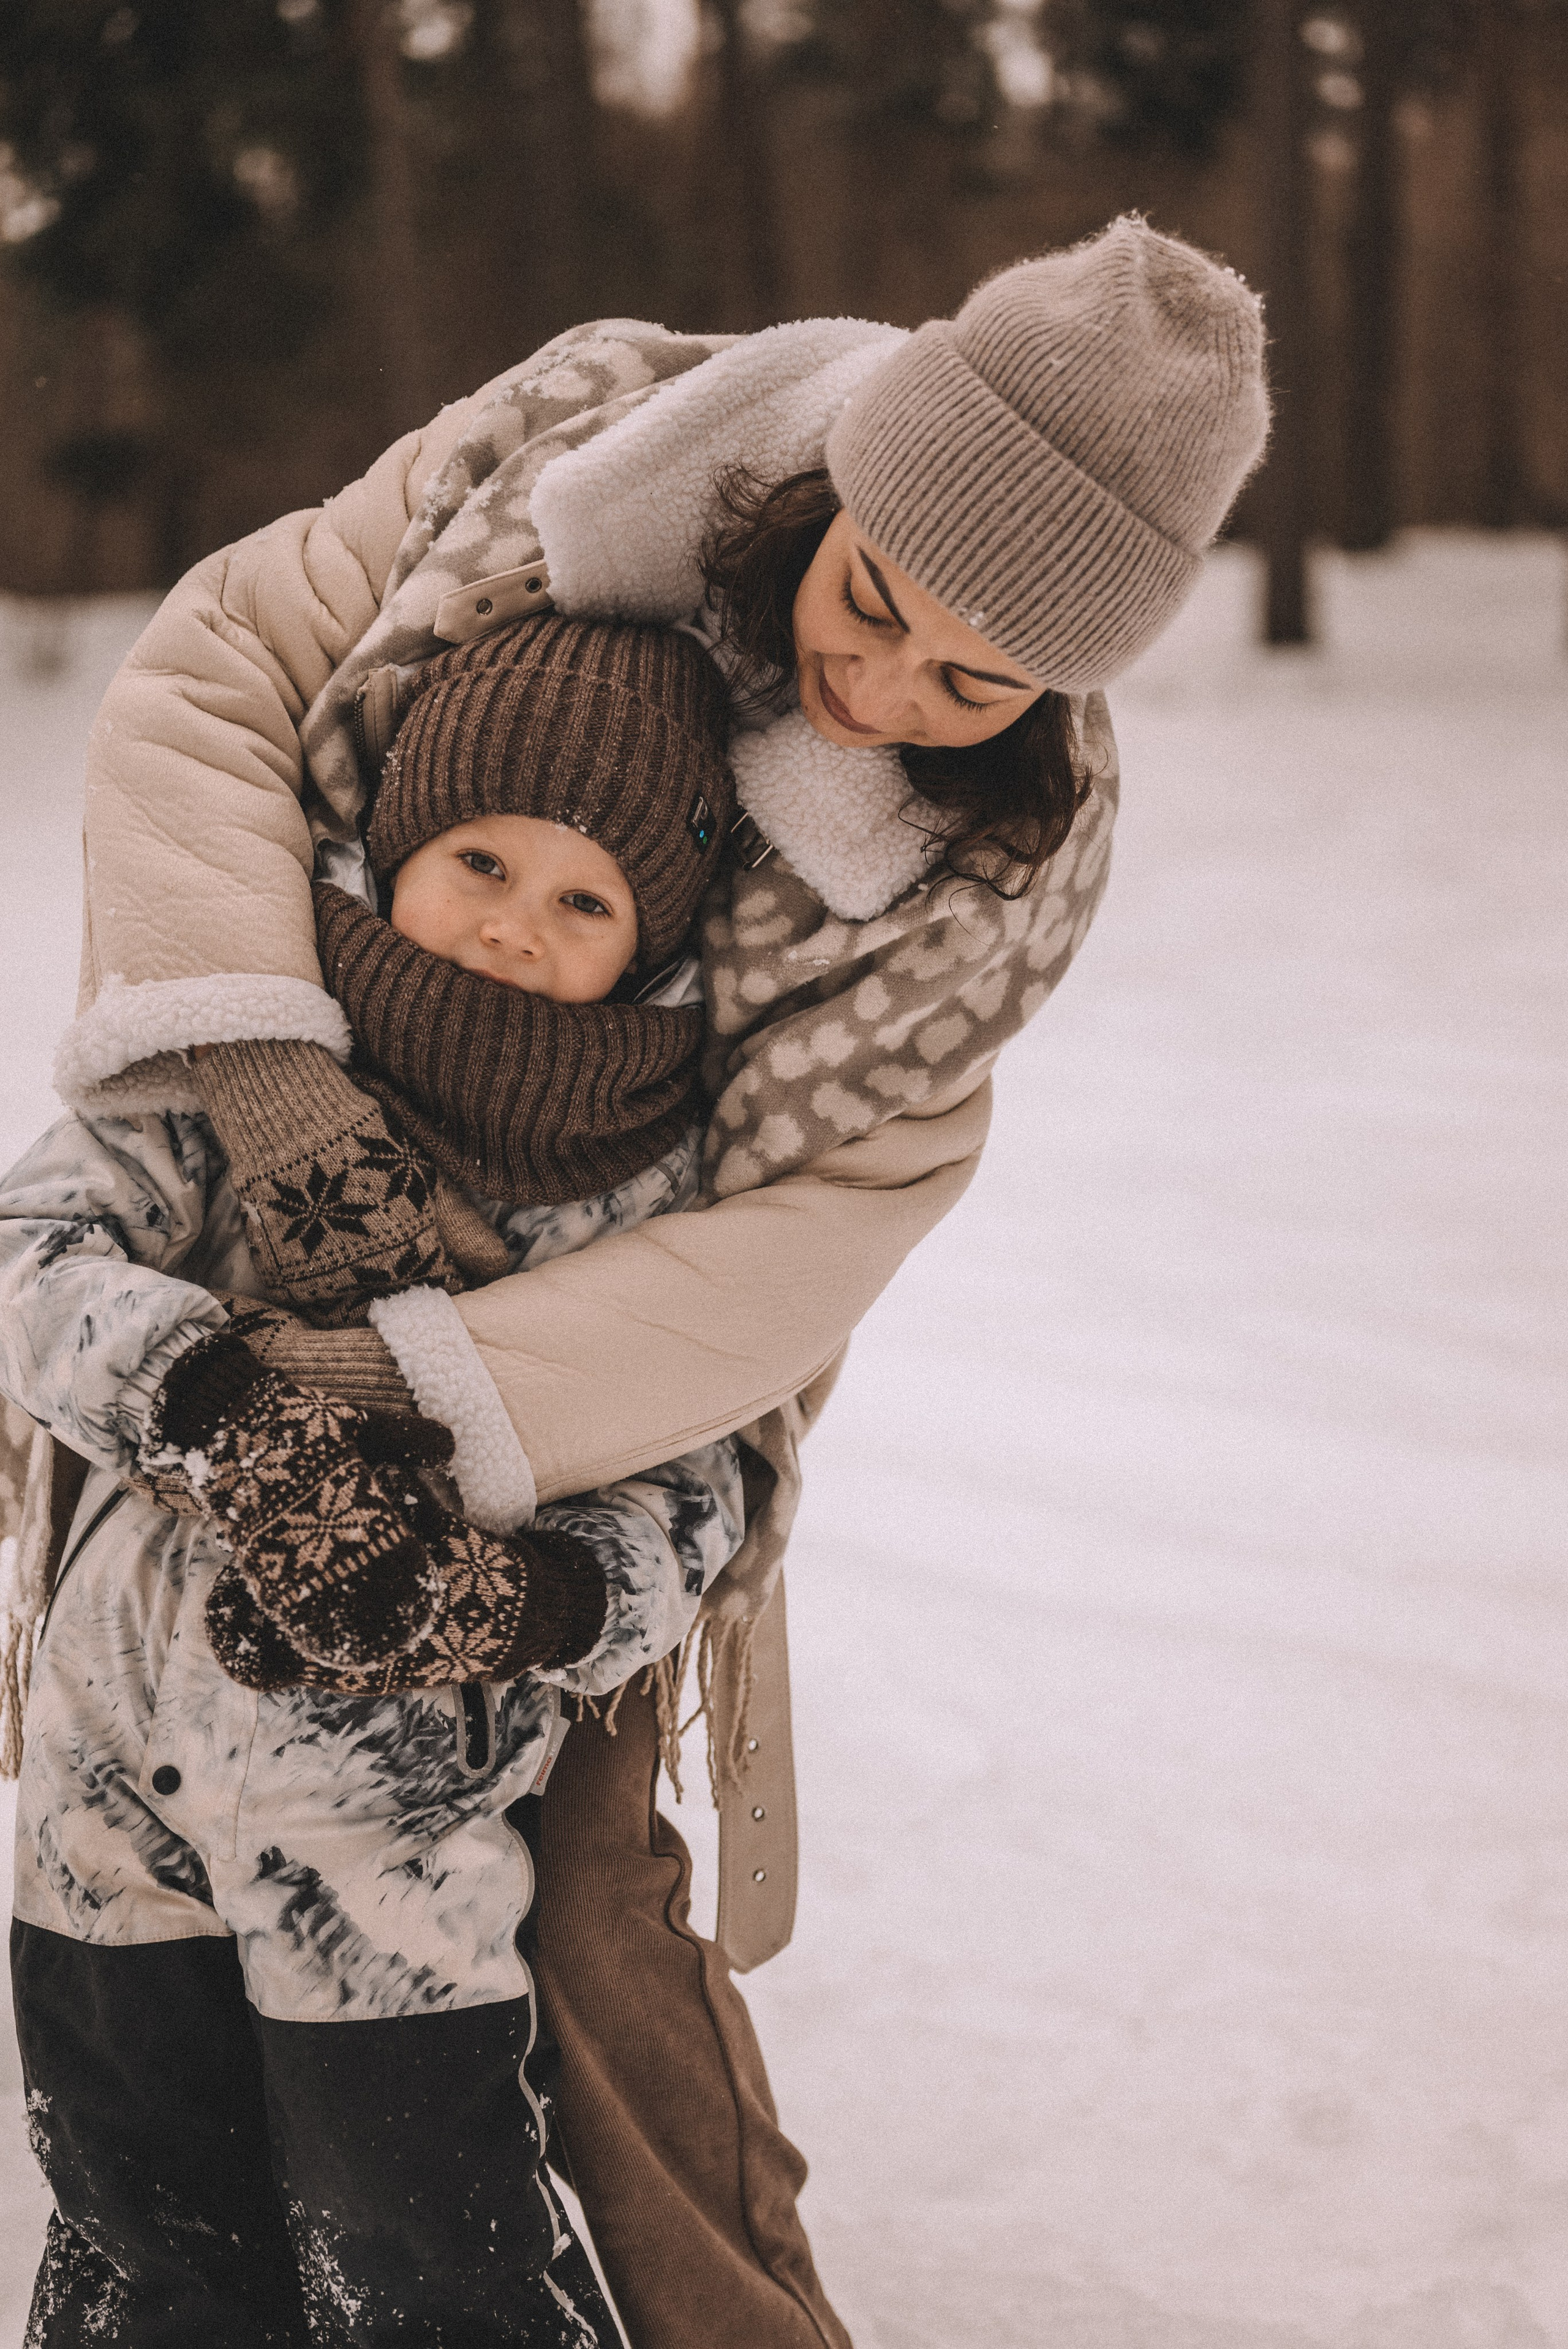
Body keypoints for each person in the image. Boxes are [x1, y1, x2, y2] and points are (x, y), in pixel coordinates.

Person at [24, 216, 1270, 2347]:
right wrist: (254, 1062)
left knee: (572, 1885)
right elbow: (226, 659)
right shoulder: (580, 456)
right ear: (842, 475)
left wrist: (428, 1436)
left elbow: (808, 1241)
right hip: (233, 1200)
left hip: (587, 1390)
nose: (881, 687)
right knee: (136, 1828)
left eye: (973, 679)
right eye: (872, 596)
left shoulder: (986, 870)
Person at [0, 619, 750, 2343]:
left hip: (391, 1857)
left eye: (587, 901)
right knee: (143, 2249)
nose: (513, 921)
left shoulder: (633, 1196)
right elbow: (29, 1252)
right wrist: (226, 1411)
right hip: (105, 1818)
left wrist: (535, 1595)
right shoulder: (232, 1077)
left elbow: (696, 1489)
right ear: (396, 847)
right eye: (482, 860)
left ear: (653, 943)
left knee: (427, 2262)